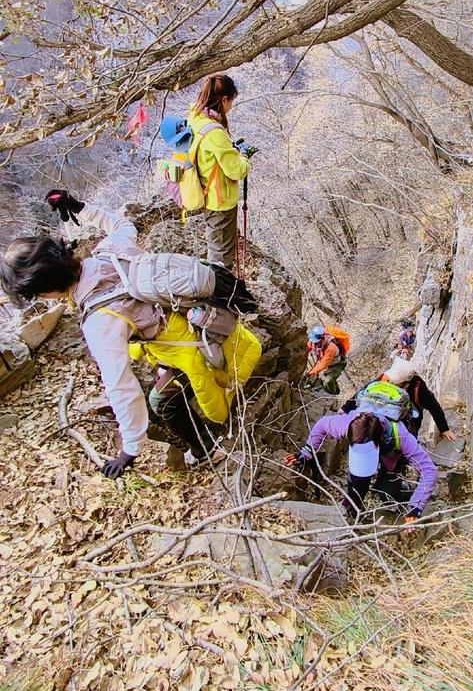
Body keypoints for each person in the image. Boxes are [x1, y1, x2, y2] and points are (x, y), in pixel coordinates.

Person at [0, 194, 261, 478]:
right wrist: (80, 207)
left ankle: (206, 450)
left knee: (162, 403)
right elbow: (121, 224)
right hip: (205, 318)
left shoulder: (99, 320)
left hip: (192, 348)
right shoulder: (109, 252)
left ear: (45, 290)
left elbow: (121, 386)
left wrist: (131, 448)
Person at [285, 409, 437, 526]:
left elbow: (429, 470)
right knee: (357, 483)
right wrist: (307, 451)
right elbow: (322, 424)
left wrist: (416, 507)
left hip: (391, 454)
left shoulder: (401, 436)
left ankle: (405, 493)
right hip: (380, 447)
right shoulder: (347, 426)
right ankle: (351, 509)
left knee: (387, 493)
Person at [188, 74, 253, 269]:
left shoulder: (195, 120)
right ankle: (218, 294)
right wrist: (244, 156)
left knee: (215, 246)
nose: (231, 106)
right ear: (224, 99)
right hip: (220, 200)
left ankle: (214, 287)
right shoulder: (215, 132)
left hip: (205, 192)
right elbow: (236, 170)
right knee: (221, 256)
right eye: (231, 100)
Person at [341, 356, 456, 440]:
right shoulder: (385, 378)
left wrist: (444, 429)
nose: (391, 385)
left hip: (409, 425)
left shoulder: (417, 387)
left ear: (406, 381)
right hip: (384, 418)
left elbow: (433, 406)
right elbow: (365, 391)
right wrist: (345, 408)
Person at [305, 324, 348, 395]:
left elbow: (324, 363)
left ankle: (333, 396)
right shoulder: (312, 342)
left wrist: (311, 373)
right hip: (329, 365)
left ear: (322, 338)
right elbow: (306, 349)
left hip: (337, 365)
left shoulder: (331, 348)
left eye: (317, 342)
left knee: (328, 380)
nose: (315, 344)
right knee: (325, 380)